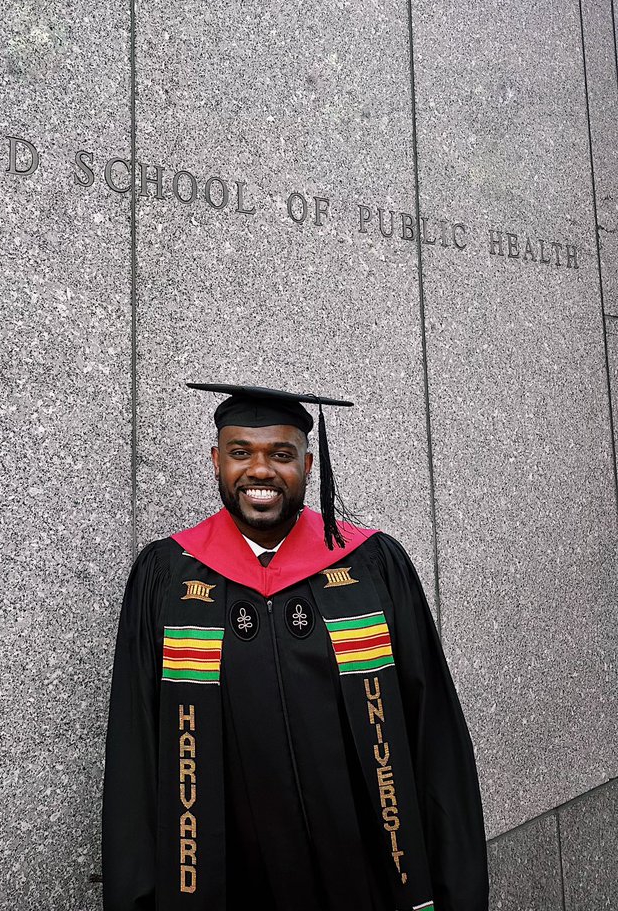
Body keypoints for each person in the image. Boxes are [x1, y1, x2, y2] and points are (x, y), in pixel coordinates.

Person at [101, 382, 488, 911]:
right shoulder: (167, 578)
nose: (260, 470)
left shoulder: (372, 566)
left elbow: (433, 733)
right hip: (226, 880)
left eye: (281, 454)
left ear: (308, 465)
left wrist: (457, 891)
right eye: (240, 453)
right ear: (216, 461)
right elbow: (136, 750)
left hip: (365, 876)